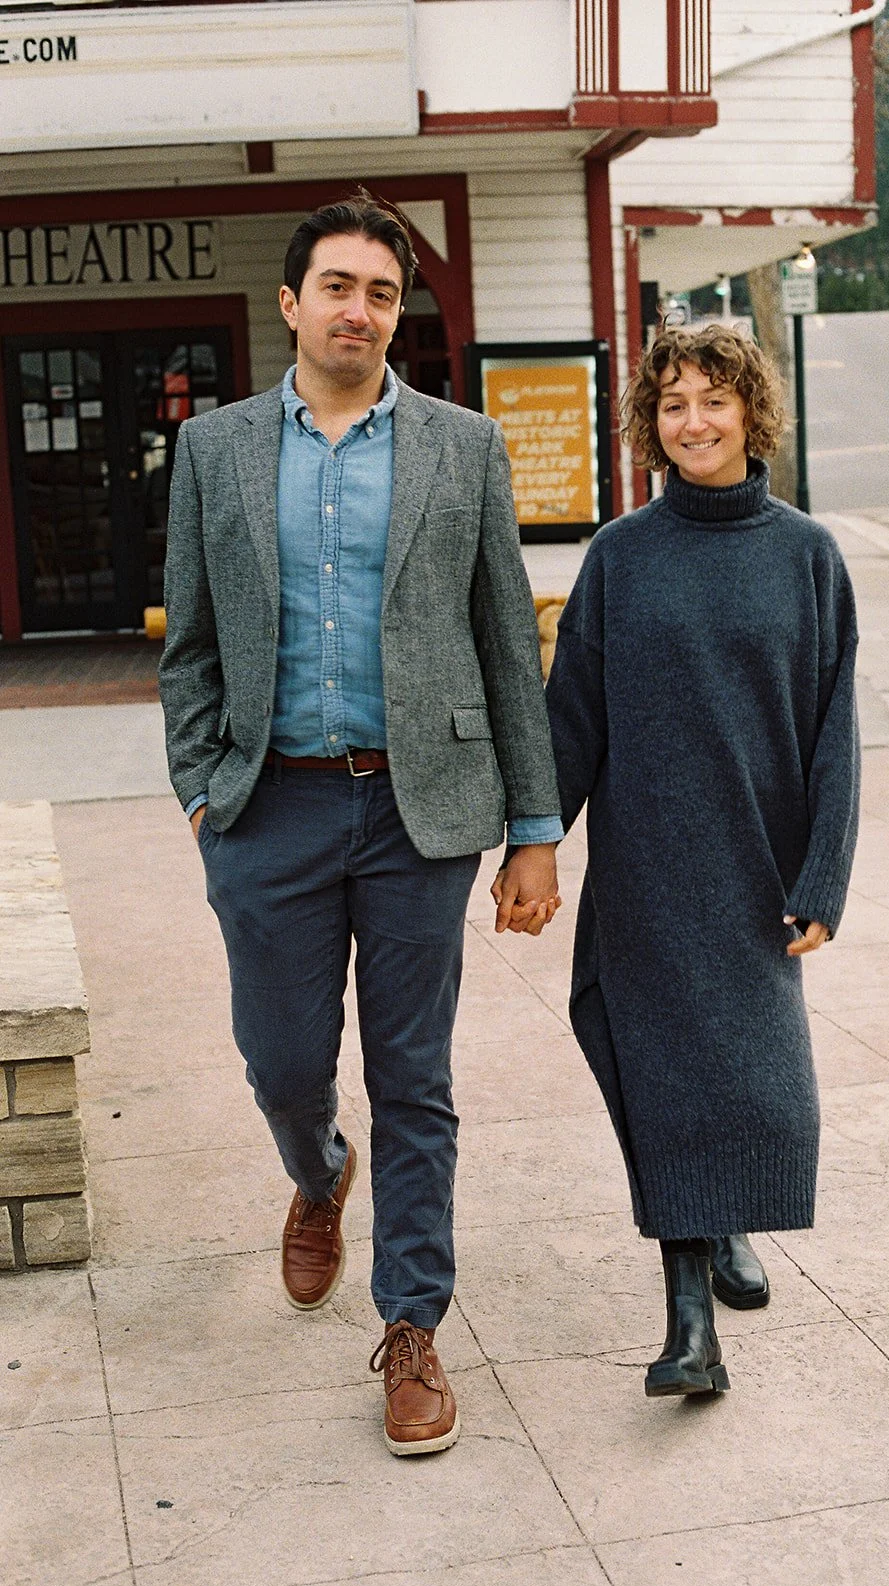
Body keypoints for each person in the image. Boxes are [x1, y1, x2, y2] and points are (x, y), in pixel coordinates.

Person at [159, 193, 563, 1456]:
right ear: (291, 303)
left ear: (400, 310)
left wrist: (536, 827)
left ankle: (413, 1325)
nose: (359, 310)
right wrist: (198, 787)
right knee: (281, 1058)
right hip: (266, 804)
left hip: (417, 809)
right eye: (337, 286)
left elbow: (508, 645)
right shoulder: (217, 451)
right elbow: (191, 644)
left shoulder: (463, 446)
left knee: (418, 1078)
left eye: (382, 292)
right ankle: (316, 1169)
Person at [540, 323, 860, 1397]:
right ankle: (689, 1326)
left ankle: (723, 1226)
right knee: (667, 1080)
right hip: (644, 872)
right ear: (650, 421)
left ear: (751, 410)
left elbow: (834, 733)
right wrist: (533, 845)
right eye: (673, 403)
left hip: (757, 874)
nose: (693, 422)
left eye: (713, 400)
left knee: (763, 1090)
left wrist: (824, 877)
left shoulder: (807, 556)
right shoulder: (620, 557)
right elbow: (571, 721)